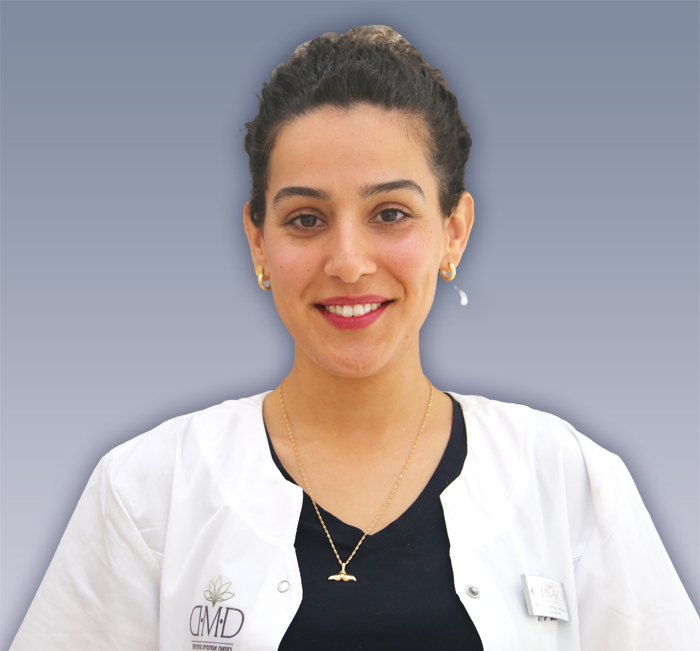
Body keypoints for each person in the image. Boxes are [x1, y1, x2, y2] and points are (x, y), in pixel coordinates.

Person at [10, 25, 700, 651]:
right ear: (258, 240)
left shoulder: (570, 481)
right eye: (306, 219)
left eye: (390, 213)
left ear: (453, 232)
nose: (347, 261)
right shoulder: (148, 491)